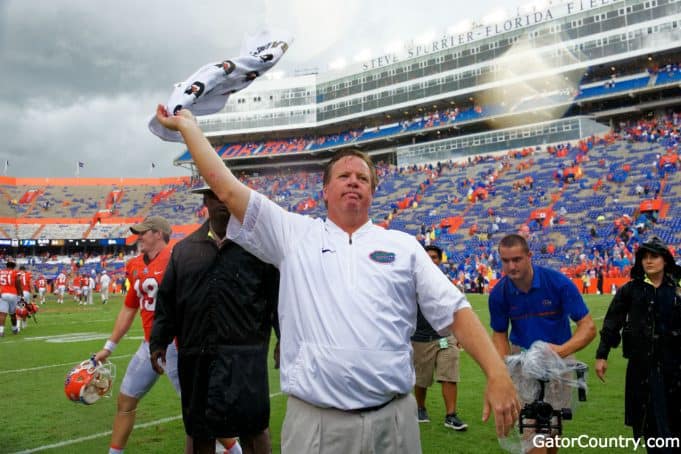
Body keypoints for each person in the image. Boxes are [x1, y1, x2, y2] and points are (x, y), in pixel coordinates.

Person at [155, 106, 520, 453]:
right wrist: (190, 129)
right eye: (343, 176)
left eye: (362, 178)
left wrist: (497, 372)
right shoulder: (294, 235)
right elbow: (228, 189)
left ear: (372, 192)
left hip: (393, 420)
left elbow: (456, 310)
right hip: (316, 423)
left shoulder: (403, 246)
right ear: (325, 191)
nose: (353, 182)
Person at [150, 185, 279, 454]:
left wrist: (284, 338)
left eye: (227, 194)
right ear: (205, 201)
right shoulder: (184, 250)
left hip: (246, 356)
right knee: (199, 431)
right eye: (215, 195)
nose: (222, 200)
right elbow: (167, 302)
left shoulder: (258, 247)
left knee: (254, 428)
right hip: (197, 356)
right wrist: (158, 341)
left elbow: (277, 297)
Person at [488, 234, 596, 454]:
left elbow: (588, 327)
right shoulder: (499, 292)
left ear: (529, 256)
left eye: (517, 259)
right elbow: (499, 333)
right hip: (522, 360)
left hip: (558, 357)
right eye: (506, 261)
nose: (511, 266)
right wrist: (503, 367)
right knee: (530, 426)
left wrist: (560, 351)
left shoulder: (558, 283)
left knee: (552, 424)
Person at [94, 216, 185, 454]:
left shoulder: (178, 258)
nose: (139, 237)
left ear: (158, 233)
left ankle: (233, 449)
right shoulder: (134, 265)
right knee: (126, 401)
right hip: (149, 345)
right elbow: (129, 308)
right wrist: (109, 347)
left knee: (195, 407)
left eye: (143, 233)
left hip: (177, 344)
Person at [595, 237, 681, 452]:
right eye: (644, 257)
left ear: (665, 260)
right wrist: (602, 355)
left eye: (654, 256)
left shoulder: (676, 290)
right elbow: (612, 322)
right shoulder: (631, 290)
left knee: (675, 418)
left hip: (675, 367)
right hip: (643, 368)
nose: (648, 261)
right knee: (649, 421)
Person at [411, 244, 467, 431]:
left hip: (445, 336)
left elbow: (458, 309)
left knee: (449, 374)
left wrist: (459, 333)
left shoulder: (448, 282)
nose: (431, 260)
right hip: (419, 338)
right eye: (428, 256)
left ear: (440, 259)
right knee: (421, 379)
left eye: (435, 257)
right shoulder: (411, 282)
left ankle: (451, 415)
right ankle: (420, 408)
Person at [0, 258, 22, 336]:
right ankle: (14, 329)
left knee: (2, 314)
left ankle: (1, 331)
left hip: (3, 294)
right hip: (12, 294)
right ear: (13, 267)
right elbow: (18, 283)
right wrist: (20, 295)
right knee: (12, 314)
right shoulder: (15, 272)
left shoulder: (1, 272)